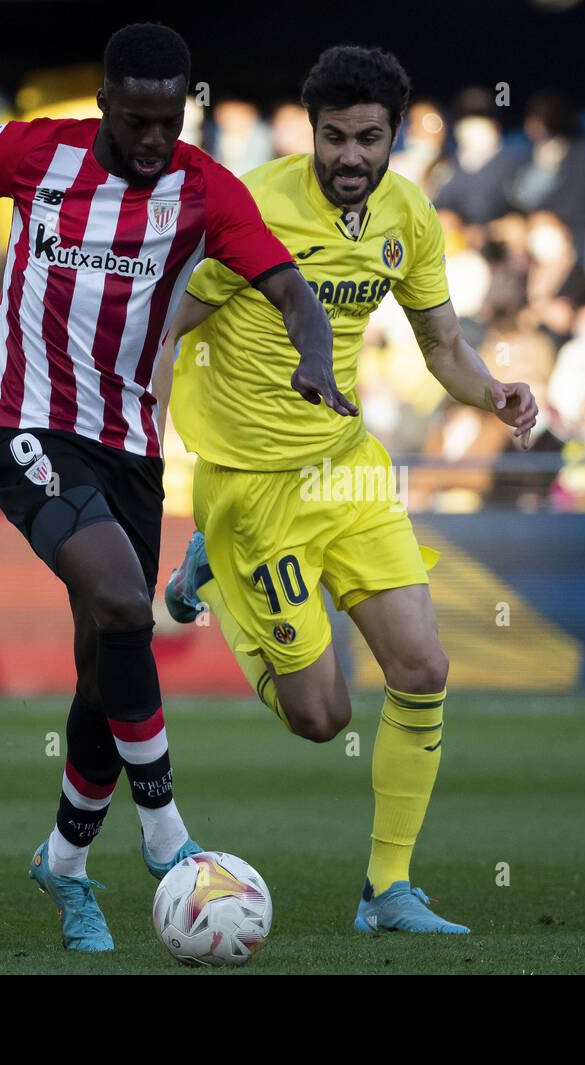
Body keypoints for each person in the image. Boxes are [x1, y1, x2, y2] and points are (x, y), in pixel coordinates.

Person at [0, 22, 350, 954]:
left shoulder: (205, 188)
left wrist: (313, 357)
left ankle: (65, 863)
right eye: (139, 120)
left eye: (170, 120)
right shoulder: (41, 152)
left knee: (103, 661)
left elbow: (289, 289)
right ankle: (167, 836)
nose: (155, 139)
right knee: (126, 599)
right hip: (29, 427)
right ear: (107, 106)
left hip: (130, 449)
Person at [155, 45, 537, 935]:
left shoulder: (410, 214)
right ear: (311, 130)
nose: (352, 157)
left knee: (424, 667)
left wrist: (495, 391)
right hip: (252, 488)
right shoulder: (255, 204)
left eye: (370, 138)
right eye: (335, 138)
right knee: (322, 716)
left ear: (397, 136)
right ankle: (220, 569)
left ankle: (387, 889)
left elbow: (443, 346)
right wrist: (143, 413)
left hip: (348, 466)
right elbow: (176, 313)